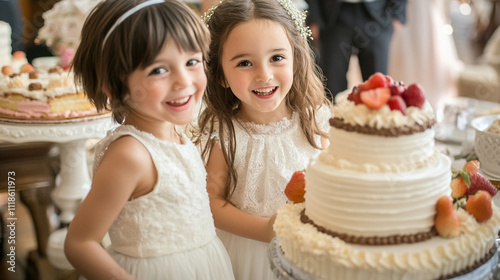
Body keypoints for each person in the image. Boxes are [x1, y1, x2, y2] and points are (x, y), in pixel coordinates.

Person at [64, 0, 234, 279]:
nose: (183, 81)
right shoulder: (131, 155)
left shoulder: (176, 132)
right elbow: (79, 243)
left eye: (192, 61)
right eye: (158, 70)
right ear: (114, 86)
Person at [192, 0, 331, 279]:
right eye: (244, 63)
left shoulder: (316, 119)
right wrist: (265, 230)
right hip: (248, 252)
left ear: (296, 58)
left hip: (310, 249)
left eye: (277, 58)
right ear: (220, 75)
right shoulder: (225, 132)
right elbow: (211, 201)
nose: (264, 75)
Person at [305, 0, 407, 101]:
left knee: (379, 86)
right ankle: (333, 117)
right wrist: (314, 16)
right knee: (332, 83)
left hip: (378, 14)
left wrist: (398, 13)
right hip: (333, 16)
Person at [389, 0, 462, 111]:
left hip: (427, 14)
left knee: (430, 59)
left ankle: (429, 104)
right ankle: (403, 102)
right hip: (405, 13)